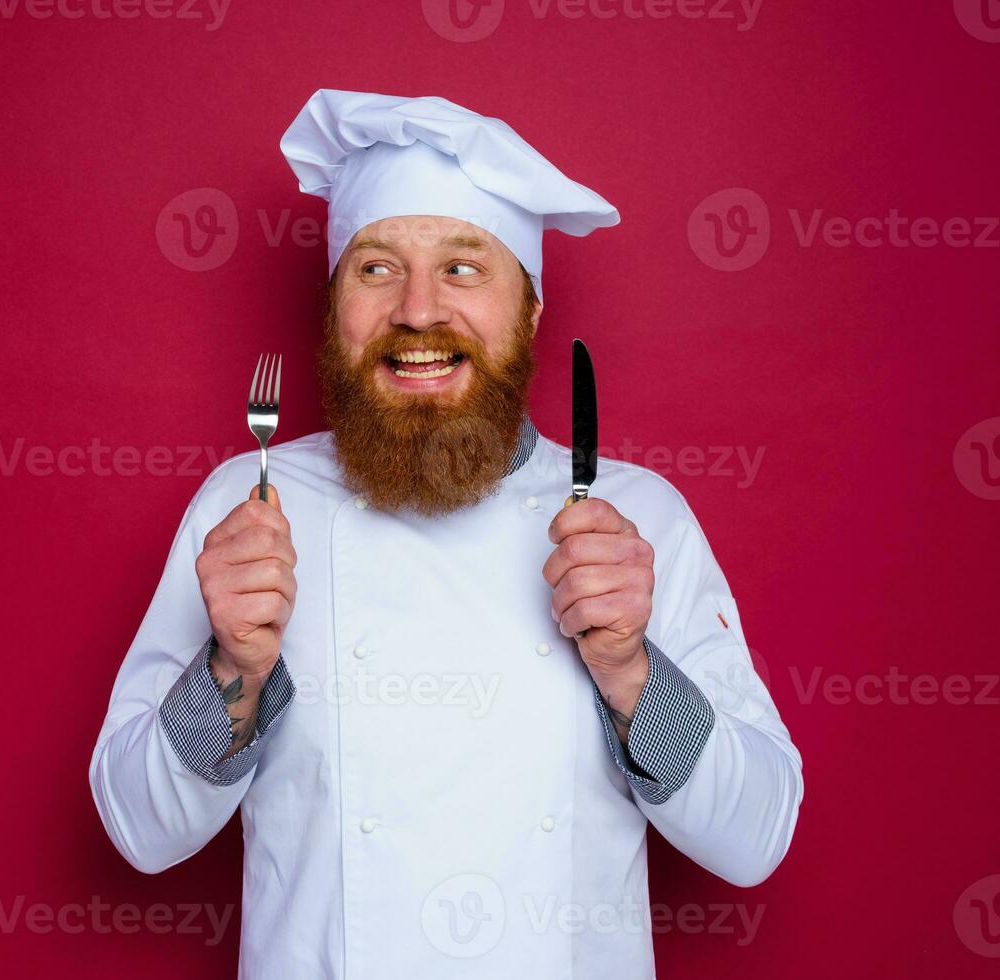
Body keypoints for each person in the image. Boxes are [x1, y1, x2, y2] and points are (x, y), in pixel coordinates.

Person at [89, 88, 802, 979]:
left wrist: (630, 671)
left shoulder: (637, 520)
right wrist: (231, 668)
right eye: (376, 268)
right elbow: (139, 834)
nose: (418, 311)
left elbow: (755, 839)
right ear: (334, 308)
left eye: (464, 268)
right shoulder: (250, 505)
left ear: (530, 312)